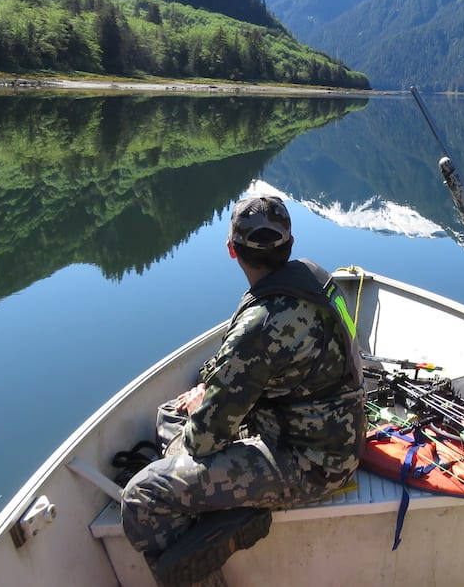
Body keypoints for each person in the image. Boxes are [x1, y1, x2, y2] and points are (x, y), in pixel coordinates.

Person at [121, 195, 365, 585]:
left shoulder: (260, 325)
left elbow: (204, 441)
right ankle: (226, 509)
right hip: (336, 435)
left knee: (143, 495)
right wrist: (213, 390)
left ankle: (220, 532)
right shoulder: (314, 277)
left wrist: (212, 399)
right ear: (290, 245)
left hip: (313, 465)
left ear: (232, 251)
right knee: (173, 412)